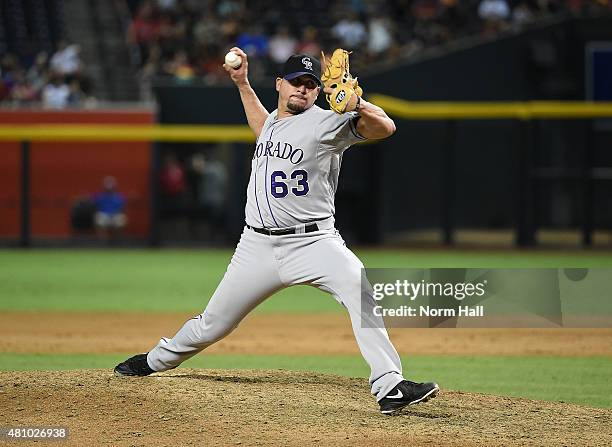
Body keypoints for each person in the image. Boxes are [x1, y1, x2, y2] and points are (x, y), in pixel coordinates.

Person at [114, 48, 439, 415]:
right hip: (256, 246)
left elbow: (386, 127)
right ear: (280, 85)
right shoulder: (273, 121)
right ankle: (156, 361)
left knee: (359, 288)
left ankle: (389, 385)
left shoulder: (327, 122)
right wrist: (241, 84)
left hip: (314, 242)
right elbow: (261, 126)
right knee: (213, 324)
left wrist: (359, 103)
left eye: (311, 85)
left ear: (319, 91)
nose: (303, 90)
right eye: (296, 83)